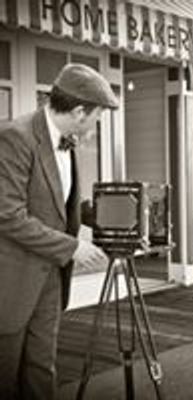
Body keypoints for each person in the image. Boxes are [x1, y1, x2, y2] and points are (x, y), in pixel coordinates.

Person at [0, 63, 119, 399]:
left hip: (51, 278)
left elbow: (66, 205)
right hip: (12, 282)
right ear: (80, 112)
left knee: (42, 370)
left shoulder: (68, 142)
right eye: (97, 117)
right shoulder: (15, 137)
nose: (96, 126)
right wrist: (71, 247)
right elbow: (7, 215)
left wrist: (122, 218)